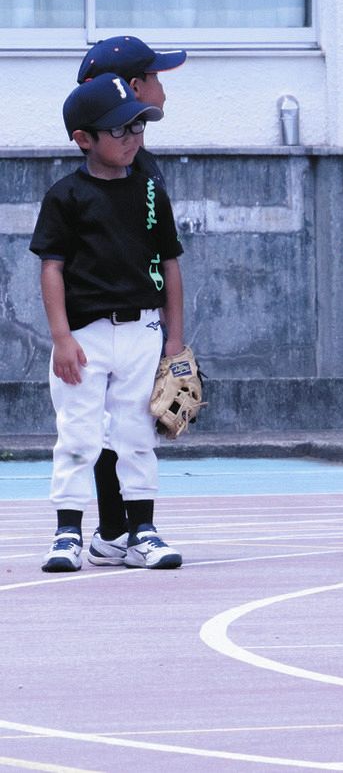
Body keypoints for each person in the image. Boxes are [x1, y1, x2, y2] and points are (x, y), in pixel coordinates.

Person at [32, 73, 186, 572]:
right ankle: (68, 534)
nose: (133, 138)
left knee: (137, 431)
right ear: (83, 138)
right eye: (119, 130)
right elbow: (51, 267)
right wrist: (61, 338)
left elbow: (170, 262)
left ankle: (142, 530)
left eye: (138, 127)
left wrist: (175, 340)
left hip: (142, 330)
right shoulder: (65, 196)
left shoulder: (148, 191)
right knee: (77, 434)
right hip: (84, 334)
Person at [74, 35, 187, 567]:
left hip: (139, 320)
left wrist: (172, 333)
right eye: (156, 76)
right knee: (112, 423)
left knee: (126, 422)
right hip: (110, 323)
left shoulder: (135, 161)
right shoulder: (112, 175)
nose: (162, 88)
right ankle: (119, 528)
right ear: (133, 85)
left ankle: (118, 528)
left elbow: (164, 254)